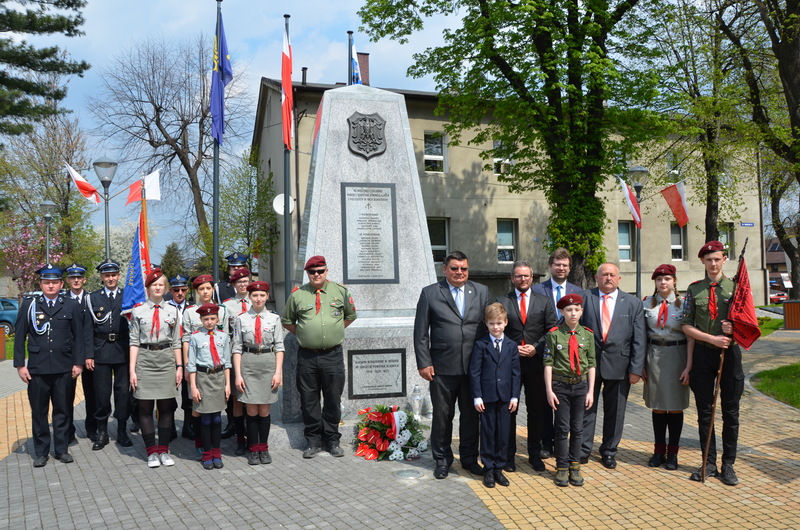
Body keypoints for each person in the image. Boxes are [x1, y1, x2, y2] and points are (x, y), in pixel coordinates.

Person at [414, 250, 490, 479]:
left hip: (473, 369)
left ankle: (468, 459)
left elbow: (489, 328)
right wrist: (424, 362)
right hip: (441, 369)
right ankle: (442, 459)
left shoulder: (481, 291)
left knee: (471, 417)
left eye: (463, 268)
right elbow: (420, 333)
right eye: (454, 268)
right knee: (442, 417)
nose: (459, 272)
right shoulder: (430, 293)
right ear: (445, 269)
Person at [282, 255, 357, 459]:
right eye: (312, 272)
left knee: (332, 398)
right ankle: (313, 441)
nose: (317, 274)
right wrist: (305, 333)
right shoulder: (298, 295)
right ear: (307, 273)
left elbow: (351, 315)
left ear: (326, 271)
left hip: (332, 355)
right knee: (309, 400)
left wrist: (335, 331)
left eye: (320, 271)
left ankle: (332, 440)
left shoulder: (340, 292)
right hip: (307, 356)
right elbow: (287, 320)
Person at [681, 241, 742, 486]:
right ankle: (708, 462)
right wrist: (712, 338)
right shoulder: (694, 290)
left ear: (724, 259)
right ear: (703, 262)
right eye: (709, 260)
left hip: (730, 355)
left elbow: (750, 324)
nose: (713, 264)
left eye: (717, 259)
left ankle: (728, 464)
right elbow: (686, 325)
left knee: (730, 411)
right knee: (705, 412)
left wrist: (734, 329)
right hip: (705, 355)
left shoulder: (737, 288)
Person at [14, 265, 87, 467]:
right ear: (41, 284)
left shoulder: (70, 305)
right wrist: (20, 365)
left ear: (61, 284)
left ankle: (61, 449)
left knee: (62, 410)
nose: (51, 285)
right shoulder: (30, 304)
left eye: (54, 282)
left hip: (64, 368)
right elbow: (19, 336)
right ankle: (41, 451)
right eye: (47, 282)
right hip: (37, 369)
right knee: (39, 412)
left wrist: (78, 363)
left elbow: (79, 337)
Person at [580, 262, 645, 469]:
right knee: (586, 408)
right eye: (604, 275)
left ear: (619, 279)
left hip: (620, 365)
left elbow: (639, 339)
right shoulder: (585, 298)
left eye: (612, 275)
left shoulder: (633, 303)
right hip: (589, 365)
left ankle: (609, 451)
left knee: (615, 412)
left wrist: (635, 369)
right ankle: (583, 449)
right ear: (597, 278)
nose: (608, 278)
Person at [497, 260, 557, 472]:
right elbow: (497, 330)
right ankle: (508, 456)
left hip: (536, 363)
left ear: (532, 278)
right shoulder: (502, 300)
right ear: (512, 278)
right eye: (518, 276)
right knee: (509, 410)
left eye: (526, 276)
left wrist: (536, 348)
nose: (522, 279)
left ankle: (534, 454)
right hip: (509, 364)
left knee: (537, 411)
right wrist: (513, 347)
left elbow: (552, 329)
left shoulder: (544, 301)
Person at [129, 269, 183, 468]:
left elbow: (177, 341)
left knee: (166, 407)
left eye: (161, 284)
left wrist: (179, 367)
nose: (158, 288)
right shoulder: (138, 310)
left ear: (165, 288)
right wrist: (132, 370)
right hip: (145, 358)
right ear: (148, 288)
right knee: (144, 407)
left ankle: (163, 449)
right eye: (154, 285)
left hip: (166, 359)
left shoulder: (173, 311)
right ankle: (151, 451)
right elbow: (134, 342)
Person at [531, 247, 581, 458]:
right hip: (541, 354)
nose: (561, 268)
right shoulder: (537, 290)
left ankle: (567, 445)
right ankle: (545, 443)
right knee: (543, 402)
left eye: (565, 265)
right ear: (550, 266)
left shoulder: (578, 291)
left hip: (568, 359)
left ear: (569, 268)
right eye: (557, 264)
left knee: (564, 404)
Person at [643, 264, 693, 470]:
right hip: (654, 356)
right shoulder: (646, 303)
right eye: (659, 279)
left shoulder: (684, 304)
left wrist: (689, 366)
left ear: (674, 281)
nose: (663, 283)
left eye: (667, 279)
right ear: (655, 282)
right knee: (658, 406)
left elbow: (690, 336)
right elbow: (640, 335)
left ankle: (672, 454)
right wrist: (640, 365)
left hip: (678, 355)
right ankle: (658, 452)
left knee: (674, 407)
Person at [544, 294, 596, 487]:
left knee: (578, 428)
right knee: (562, 427)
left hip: (581, 386)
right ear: (562, 312)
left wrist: (591, 391)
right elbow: (548, 363)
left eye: (576, 310)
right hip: (561, 387)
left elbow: (591, 364)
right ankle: (562, 467)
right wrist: (549, 390)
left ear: (582, 311)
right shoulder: (554, 334)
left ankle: (575, 466)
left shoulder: (587, 334)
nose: (573, 313)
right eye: (568, 310)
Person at [233, 281, 284, 466]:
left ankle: (264, 447)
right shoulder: (241, 319)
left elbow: (279, 347)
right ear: (249, 297)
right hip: (248, 364)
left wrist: (278, 373)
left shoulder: (274, 319)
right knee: (251, 409)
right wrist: (238, 374)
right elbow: (237, 348)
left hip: (268, 364)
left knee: (264, 409)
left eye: (262, 295)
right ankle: (253, 449)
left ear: (267, 296)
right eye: (255, 295)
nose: (259, 298)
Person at [469, 303, 521, 488]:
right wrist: (477, 396)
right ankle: (488, 468)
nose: (496, 327)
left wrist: (515, 397)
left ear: (506, 323)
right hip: (487, 397)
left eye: (499, 323)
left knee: (504, 433)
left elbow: (516, 373)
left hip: (506, 398)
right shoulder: (480, 344)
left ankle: (499, 467)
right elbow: (474, 372)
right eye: (492, 324)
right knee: (489, 432)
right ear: (486, 324)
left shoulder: (511, 345)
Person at [85, 259, 132, 450]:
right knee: (101, 394)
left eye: (113, 275)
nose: (110, 278)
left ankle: (122, 431)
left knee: (123, 393)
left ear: (118, 276)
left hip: (122, 349)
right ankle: (102, 432)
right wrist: (89, 354)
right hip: (101, 349)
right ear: (101, 277)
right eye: (107, 275)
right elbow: (88, 329)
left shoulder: (127, 296)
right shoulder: (93, 298)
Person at [182, 274, 229, 459]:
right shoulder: (190, 311)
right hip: (197, 368)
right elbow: (186, 339)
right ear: (197, 291)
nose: (205, 292)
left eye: (208, 288)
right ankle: (200, 444)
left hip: (217, 368)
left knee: (214, 413)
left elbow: (225, 339)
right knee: (197, 409)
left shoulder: (222, 311)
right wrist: (187, 366)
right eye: (201, 289)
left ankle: (213, 449)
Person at [187, 303, 231, 470]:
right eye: (206, 319)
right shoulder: (195, 337)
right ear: (201, 320)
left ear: (218, 319)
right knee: (205, 417)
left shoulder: (223, 337)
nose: (210, 322)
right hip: (203, 378)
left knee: (217, 417)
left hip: (219, 377)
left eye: (213, 318)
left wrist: (227, 384)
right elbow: (191, 365)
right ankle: (206, 453)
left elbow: (227, 362)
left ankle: (216, 453)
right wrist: (193, 387)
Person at [220, 267, 252, 453]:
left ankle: (252, 437)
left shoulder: (256, 302)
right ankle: (240, 438)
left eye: (245, 281)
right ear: (233, 284)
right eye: (239, 282)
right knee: (238, 400)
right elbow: (223, 334)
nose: (242, 284)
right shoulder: (227, 306)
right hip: (234, 355)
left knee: (253, 398)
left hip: (253, 356)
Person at [65, 263, 92, 445]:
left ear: (84, 279)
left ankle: (92, 428)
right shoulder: (62, 300)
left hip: (90, 353)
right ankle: (68, 432)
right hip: (68, 355)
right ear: (67, 280)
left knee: (92, 394)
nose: (76, 280)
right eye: (72, 277)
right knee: (66, 396)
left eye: (79, 277)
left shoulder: (92, 299)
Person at [167, 274, 193, 440]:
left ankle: (188, 426)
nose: (180, 293)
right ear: (170, 291)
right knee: (169, 392)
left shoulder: (193, 308)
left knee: (188, 393)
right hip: (170, 355)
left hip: (189, 354)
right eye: (176, 290)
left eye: (183, 290)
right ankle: (168, 426)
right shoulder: (165, 308)